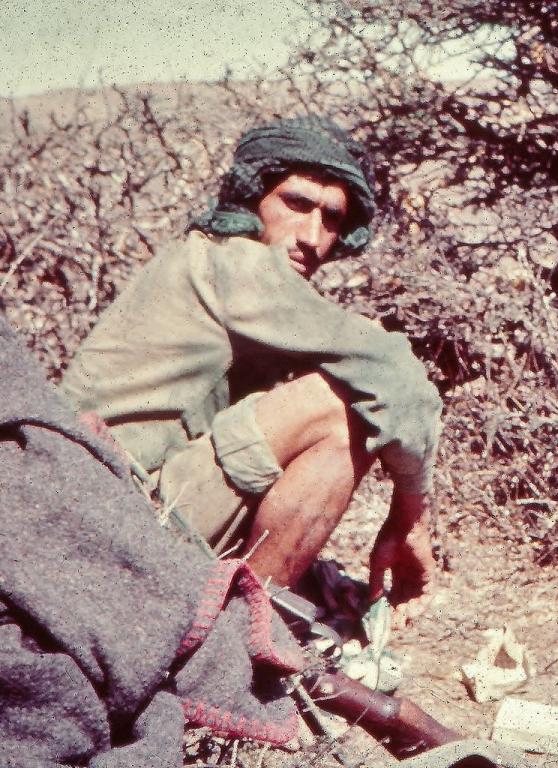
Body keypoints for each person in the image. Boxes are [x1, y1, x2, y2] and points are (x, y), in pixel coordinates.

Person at [60, 115, 443, 624]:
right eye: (296, 204)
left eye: (331, 218)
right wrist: (409, 516)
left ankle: (242, 613)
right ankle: (239, 640)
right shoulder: (235, 262)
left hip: (108, 520)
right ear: (252, 200)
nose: (312, 235)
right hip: (108, 527)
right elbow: (393, 372)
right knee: (335, 406)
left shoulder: (220, 262)